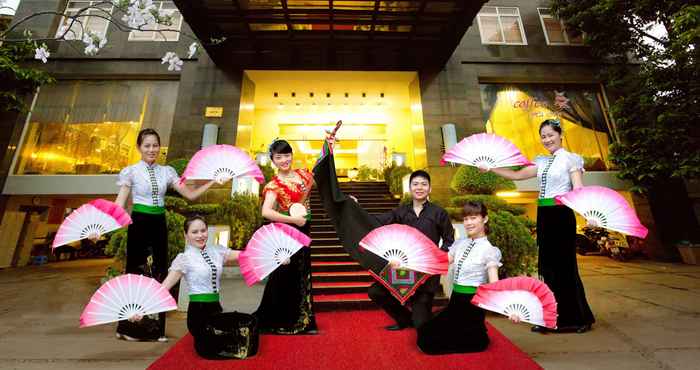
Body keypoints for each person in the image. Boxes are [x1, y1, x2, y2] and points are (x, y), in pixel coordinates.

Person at [113, 128, 229, 342]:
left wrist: (213, 181)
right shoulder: (130, 171)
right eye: (147, 145)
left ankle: (157, 328)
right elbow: (119, 205)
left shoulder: (167, 172)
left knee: (160, 271)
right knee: (134, 272)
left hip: (159, 222)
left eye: (155, 145)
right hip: (138, 221)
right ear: (139, 147)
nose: (151, 149)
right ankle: (128, 326)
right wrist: (104, 227)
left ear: (160, 147)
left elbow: (190, 194)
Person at [485, 119, 595, 333]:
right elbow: (517, 175)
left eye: (550, 135)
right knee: (548, 268)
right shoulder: (542, 162)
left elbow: (578, 189)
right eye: (543, 136)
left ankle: (579, 318)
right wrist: (491, 168)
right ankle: (551, 316)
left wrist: (588, 212)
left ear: (560, 134)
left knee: (565, 267)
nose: (547, 140)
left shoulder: (571, 160)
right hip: (544, 215)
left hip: (561, 215)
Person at [130, 215, 258, 359]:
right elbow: (163, 289)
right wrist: (142, 309)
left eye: (203, 230)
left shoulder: (217, 251)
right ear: (186, 235)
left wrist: (275, 256)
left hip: (216, 310)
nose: (200, 235)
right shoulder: (184, 259)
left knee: (250, 323)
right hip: (198, 314)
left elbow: (246, 255)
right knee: (215, 349)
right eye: (194, 232)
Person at [418, 201, 513, 354]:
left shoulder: (490, 250)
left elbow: (494, 284)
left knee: (431, 344)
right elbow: (440, 261)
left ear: (485, 219)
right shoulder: (460, 243)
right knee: (424, 332)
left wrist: (508, 308)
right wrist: (406, 263)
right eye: (466, 219)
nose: (468, 223)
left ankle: (477, 336)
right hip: (456, 299)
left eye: (473, 218)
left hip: (472, 303)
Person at [364, 170, 454, 331]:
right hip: (402, 269)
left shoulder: (439, 213)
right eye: (416, 184)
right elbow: (377, 220)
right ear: (410, 188)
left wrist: (437, 260)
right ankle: (404, 318)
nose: (420, 187)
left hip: (426, 274)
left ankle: (425, 316)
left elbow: (449, 241)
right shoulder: (401, 211)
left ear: (430, 189)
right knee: (375, 291)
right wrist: (355, 207)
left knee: (421, 325)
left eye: (424, 184)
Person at [253, 139, 318, 334]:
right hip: (287, 233)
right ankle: (283, 319)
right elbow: (266, 212)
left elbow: (315, 183)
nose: (284, 160)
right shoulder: (274, 185)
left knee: (302, 273)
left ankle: (303, 318)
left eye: (287, 155)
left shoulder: (302, 175)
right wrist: (293, 221)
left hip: (304, 229)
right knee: (284, 274)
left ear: (292, 155)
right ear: (272, 160)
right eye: (278, 157)